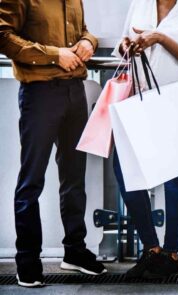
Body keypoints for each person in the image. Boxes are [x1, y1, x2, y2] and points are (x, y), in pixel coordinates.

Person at [0, 0, 107, 288]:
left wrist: (88, 41)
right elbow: (3, 36)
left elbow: (83, 31)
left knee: (74, 177)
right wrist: (53, 55)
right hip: (39, 95)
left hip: (75, 92)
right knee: (31, 180)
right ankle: (27, 262)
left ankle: (74, 251)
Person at [112, 0, 178, 279]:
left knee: (174, 177)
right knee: (124, 171)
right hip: (138, 99)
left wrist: (160, 38)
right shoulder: (140, 4)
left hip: (176, 101)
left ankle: (171, 253)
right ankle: (151, 248)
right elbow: (122, 42)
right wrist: (127, 47)